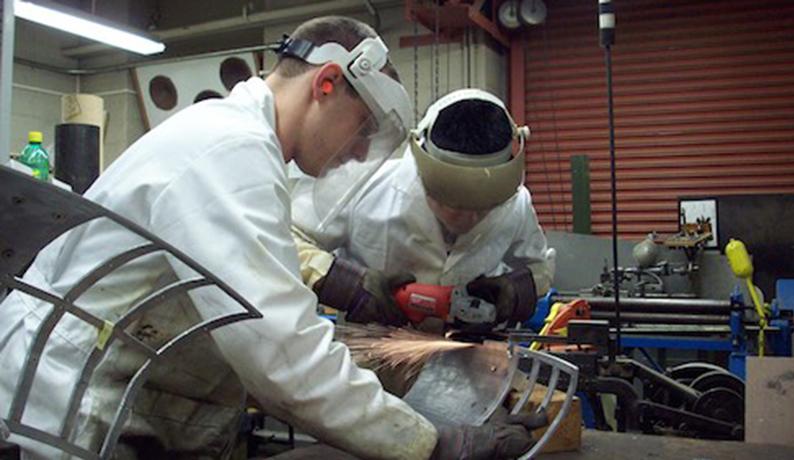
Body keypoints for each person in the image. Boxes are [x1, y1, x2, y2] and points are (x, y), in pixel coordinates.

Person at [0, 16, 540, 460]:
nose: (357, 153)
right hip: (66, 407)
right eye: (362, 129)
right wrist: (432, 443)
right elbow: (282, 353)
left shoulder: (235, 142)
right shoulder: (229, 150)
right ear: (326, 85)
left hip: (104, 399)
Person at [293, 88, 556, 331]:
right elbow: (286, 238)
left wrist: (515, 290)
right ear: (421, 173)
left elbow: (539, 267)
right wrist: (344, 284)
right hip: (370, 362)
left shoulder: (516, 203)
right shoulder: (362, 186)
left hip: (473, 362)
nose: (468, 219)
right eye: (450, 204)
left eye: (484, 209)